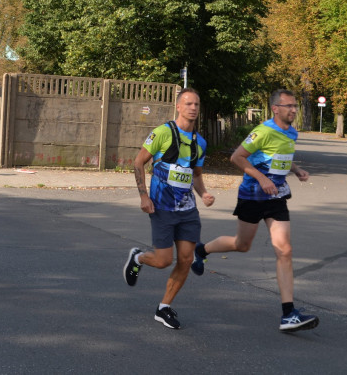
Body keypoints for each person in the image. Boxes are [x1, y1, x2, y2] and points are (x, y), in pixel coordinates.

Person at [190, 88, 318, 332]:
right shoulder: (263, 131)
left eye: (294, 106)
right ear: (275, 108)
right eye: (288, 106)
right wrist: (262, 178)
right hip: (252, 195)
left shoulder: (291, 131)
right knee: (242, 244)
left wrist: (296, 169)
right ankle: (201, 249)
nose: (293, 110)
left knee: (285, 249)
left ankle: (288, 313)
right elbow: (237, 157)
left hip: (276, 196)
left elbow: (281, 155)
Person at [121, 87, 215, 330]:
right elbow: (138, 162)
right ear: (178, 106)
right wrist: (143, 195)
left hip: (187, 210)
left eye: (196, 104)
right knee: (163, 261)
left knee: (185, 259)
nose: (193, 107)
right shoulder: (162, 133)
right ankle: (138, 257)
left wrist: (203, 192)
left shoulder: (200, 142)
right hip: (161, 207)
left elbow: (194, 174)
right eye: (188, 103)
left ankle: (164, 308)